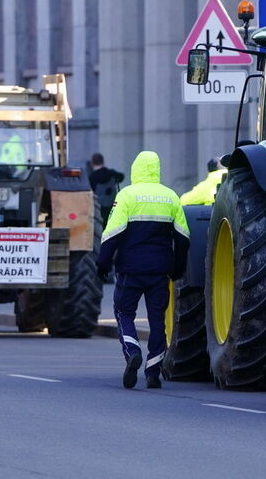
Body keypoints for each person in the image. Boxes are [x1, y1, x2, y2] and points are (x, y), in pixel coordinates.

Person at [97, 151, 189, 389]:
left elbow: (112, 234)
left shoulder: (126, 195)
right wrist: (178, 269)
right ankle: (153, 372)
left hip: (130, 270)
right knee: (157, 320)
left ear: (135, 169)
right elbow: (183, 238)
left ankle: (133, 351)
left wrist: (102, 265)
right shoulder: (171, 197)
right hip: (160, 271)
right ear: (157, 169)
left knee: (124, 313)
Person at [88, 153, 126, 225]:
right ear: (103, 162)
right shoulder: (111, 173)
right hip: (112, 206)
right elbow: (121, 177)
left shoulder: (92, 177)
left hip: (98, 209)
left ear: (92, 163)